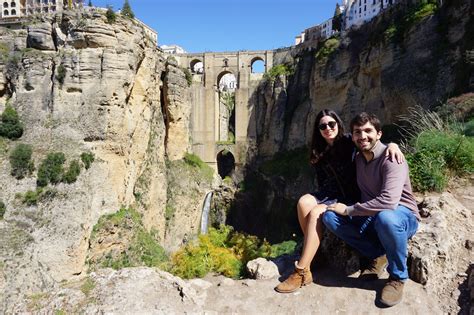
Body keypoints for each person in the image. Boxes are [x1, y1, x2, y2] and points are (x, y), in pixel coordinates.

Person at [274, 109, 403, 294]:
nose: (328, 128)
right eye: (323, 126)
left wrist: (393, 144)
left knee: (317, 212)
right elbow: (323, 182)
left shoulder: (350, 141)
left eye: (331, 124)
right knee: (303, 202)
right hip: (329, 193)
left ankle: (301, 271)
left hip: (349, 196)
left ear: (338, 124)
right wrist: (321, 198)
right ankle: (314, 257)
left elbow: (372, 141)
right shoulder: (318, 150)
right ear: (318, 130)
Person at [324, 112, 420, 307]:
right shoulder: (358, 158)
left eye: (368, 131)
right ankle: (377, 253)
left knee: (386, 218)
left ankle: (398, 277)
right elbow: (335, 140)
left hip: (401, 215)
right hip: (373, 216)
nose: (363, 136)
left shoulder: (392, 158)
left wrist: (349, 210)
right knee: (329, 217)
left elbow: (388, 202)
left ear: (379, 134)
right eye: (357, 132)